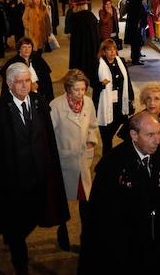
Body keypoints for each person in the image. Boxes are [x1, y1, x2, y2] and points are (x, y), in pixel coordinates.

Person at [0, 63, 69, 274]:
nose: (24, 86)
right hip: (12, 184)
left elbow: (47, 139)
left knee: (34, 216)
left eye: (27, 81)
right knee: (16, 227)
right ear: (9, 84)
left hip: (38, 178)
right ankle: (19, 261)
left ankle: (14, 236)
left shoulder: (39, 103)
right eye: (19, 82)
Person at [81, 111, 160, 272]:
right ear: (134, 135)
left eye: (158, 133)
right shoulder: (112, 165)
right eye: (150, 135)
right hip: (125, 243)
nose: (157, 140)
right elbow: (102, 214)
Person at [50, 70, 99, 251]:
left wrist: (91, 141)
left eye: (83, 89)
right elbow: (49, 134)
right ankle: (62, 231)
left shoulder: (88, 102)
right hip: (65, 160)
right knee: (62, 200)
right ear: (68, 89)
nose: (80, 93)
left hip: (83, 159)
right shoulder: (55, 106)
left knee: (85, 200)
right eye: (76, 90)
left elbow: (93, 125)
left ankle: (86, 235)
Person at [94, 39, 134, 151]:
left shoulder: (121, 61)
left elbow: (127, 81)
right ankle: (106, 158)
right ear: (103, 51)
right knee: (106, 136)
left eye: (114, 49)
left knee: (125, 129)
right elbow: (92, 84)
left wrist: (131, 98)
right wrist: (101, 84)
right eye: (109, 49)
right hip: (105, 104)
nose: (112, 52)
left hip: (120, 103)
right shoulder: (98, 64)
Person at [0, 37, 54, 103]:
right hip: (21, 93)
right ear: (19, 49)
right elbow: (9, 83)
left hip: (39, 91)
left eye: (29, 47)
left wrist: (38, 85)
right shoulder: (13, 62)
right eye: (24, 47)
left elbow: (46, 78)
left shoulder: (37, 59)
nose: (27, 50)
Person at [65, 0, 100, 84]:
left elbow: (68, 31)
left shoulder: (72, 15)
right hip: (90, 47)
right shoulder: (90, 16)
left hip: (77, 46)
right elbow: (96, 34)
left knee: (78, 63)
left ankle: (78, 78)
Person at [123, 0, 148, 65]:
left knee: (137, 41)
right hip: (136, 24)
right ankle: (135, 59)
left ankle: (136, 56)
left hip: (136, 24)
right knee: (136, 42)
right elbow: (137, 12)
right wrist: (139, 22)